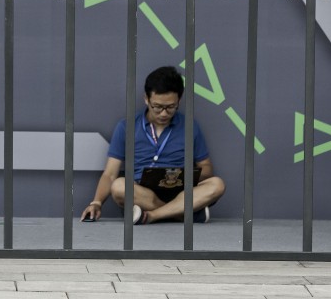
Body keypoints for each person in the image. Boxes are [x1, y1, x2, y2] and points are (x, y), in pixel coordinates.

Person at [81, 66, 225, 225]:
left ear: (179, 100)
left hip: (180, 192)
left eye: (170, 107)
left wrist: (181, 176)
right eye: (157, 107)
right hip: (142, 193)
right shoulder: (126, 127)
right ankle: (181, 213)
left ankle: (151, 216)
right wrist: (96, 202)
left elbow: (206, 168)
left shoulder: (190, 126)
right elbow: (110, 174)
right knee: (119, 186)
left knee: (217, 184)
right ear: (146, 99)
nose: (164, 113)